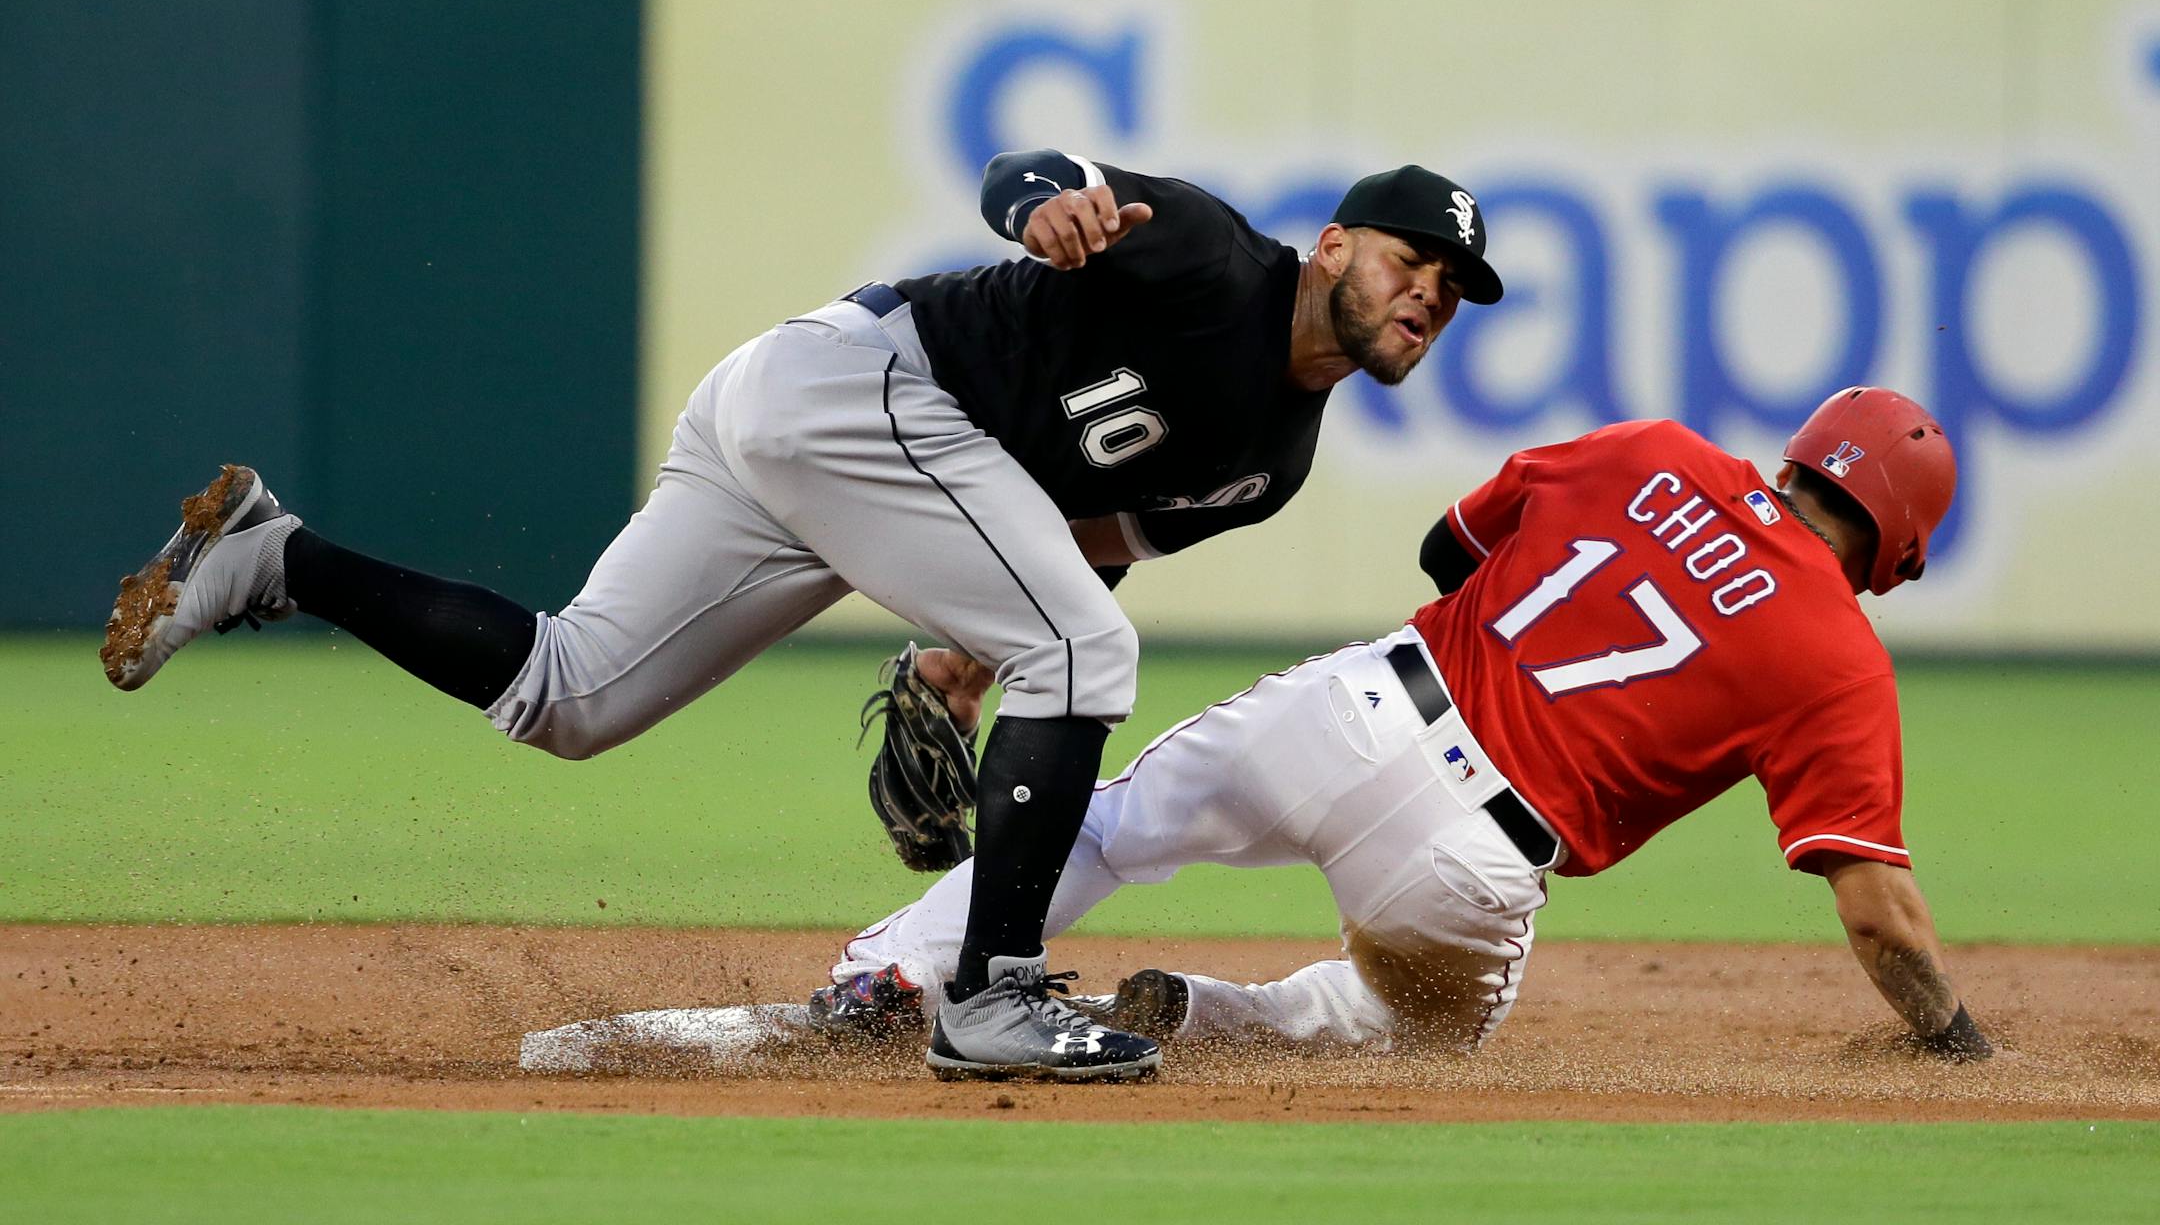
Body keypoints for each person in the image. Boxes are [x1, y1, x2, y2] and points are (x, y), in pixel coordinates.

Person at [98, 152, 1505, 1081]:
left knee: (570, 696)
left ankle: (272, 560)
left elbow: (1085, 539)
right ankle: (992, 997)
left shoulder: (1277, 460)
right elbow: (1037, 178)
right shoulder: (1208, 254)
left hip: (832, 440)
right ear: (1334, 244)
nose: (1424, 296)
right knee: (1086, 654)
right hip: (863, 389)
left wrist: (962, 659)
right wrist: (1043, 212)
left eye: (1448, 293)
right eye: (1407, 262)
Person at [809, 387, 1995, 1063]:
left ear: (1803, 456)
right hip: (1471, 858)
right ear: (1899, 547)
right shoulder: (1841, 657)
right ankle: (1217, 1014)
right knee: (1412, 1035)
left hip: (1361, 706)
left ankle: (881, 976)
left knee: (1109, 827)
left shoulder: (1654, 450)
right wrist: (1953, 1040)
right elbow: (1877, 911)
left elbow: (1449, 550)